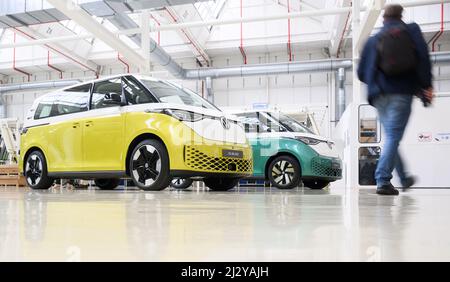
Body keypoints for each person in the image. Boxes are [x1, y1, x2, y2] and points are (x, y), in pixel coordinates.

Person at [358, 4, 433, 195]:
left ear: (383, 18)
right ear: (401, 15)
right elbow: (423, 58)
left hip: (378, 96)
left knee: (392, 136)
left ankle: (404, 178)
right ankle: (382, 180)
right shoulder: (411, 30)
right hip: (401, 91)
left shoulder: (373, 40)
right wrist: (426, 85)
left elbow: (360, 73)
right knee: (393, 136)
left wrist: (377, 82)